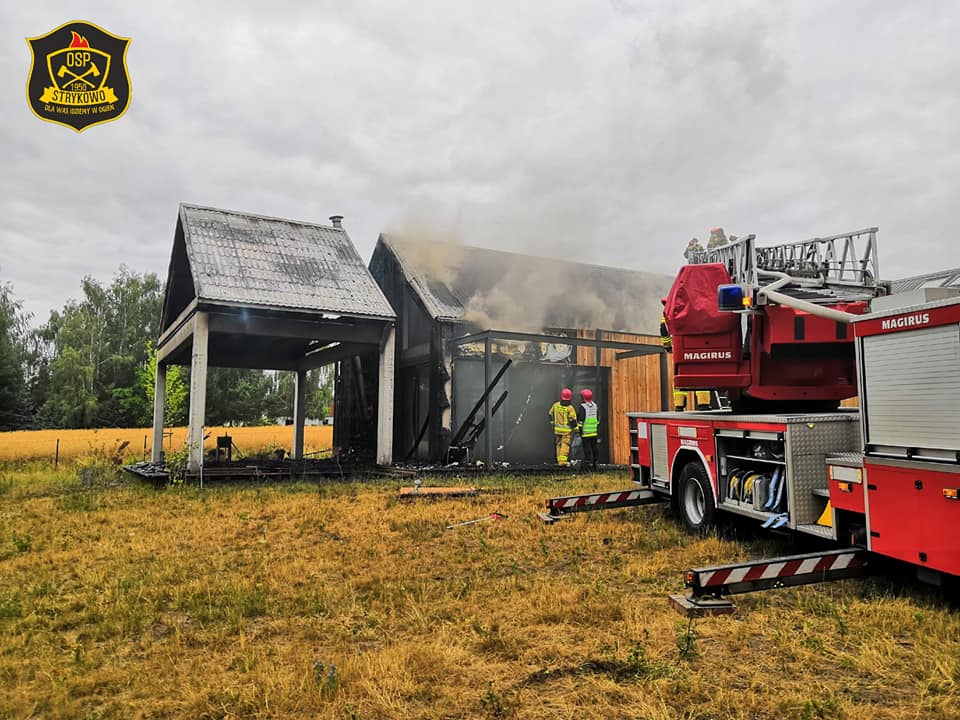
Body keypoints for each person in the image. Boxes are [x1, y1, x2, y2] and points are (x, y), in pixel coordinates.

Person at [548, 388, 579, 466]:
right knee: (565, 445)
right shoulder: (570, 408)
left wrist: (552, 423)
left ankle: (559, 461)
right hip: (566, 432)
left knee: (558, 445)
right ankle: (563, 462)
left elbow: (550, 413)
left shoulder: (556, 405)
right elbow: (572, 420)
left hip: (557, 430)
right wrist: (576, 429)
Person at [576, 388, 600, 470]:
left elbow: (581, 421)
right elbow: (597, 419)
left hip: (586, 433)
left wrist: (580, 431)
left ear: (583, 397)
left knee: (587, 449)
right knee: (594, 448)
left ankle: (588, 463)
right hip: (594, 432)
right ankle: (595, 462)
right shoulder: (595, 405)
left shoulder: (583, 407)